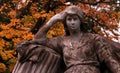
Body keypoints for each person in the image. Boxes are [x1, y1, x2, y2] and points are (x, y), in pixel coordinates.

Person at [14, 5, 120, 73]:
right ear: (65, 22)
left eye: (75, 19)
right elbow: (38, 39)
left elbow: (109, 61)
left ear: (80, 21)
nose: (72, 22)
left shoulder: (93, 38)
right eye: (69, 19)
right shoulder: (62, 41)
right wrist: (52, 21)